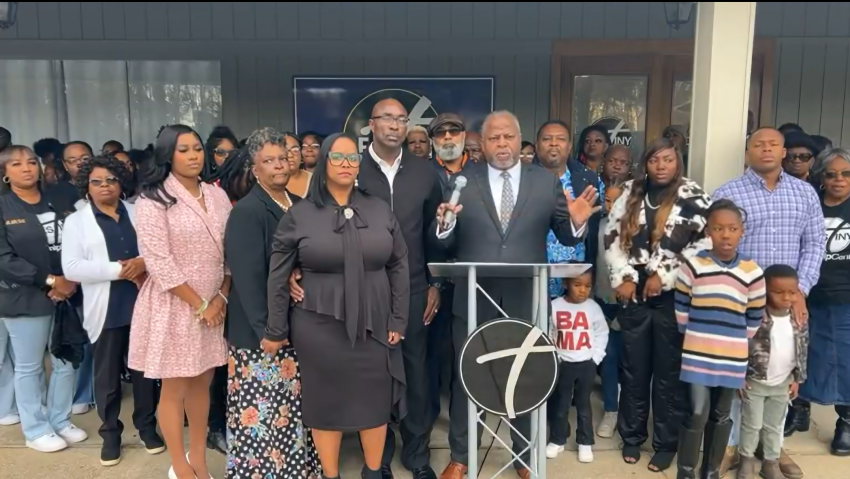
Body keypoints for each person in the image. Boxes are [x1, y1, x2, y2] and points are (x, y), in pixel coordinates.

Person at [434, 111, 597, 479]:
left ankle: (523, 456)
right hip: (475, 298)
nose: (503, 145)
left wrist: (577, 220)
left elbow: (568, 234)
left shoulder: (544, 181)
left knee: (525, 377)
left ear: (519, 140)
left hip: (525, 299)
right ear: (482, 142)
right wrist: (443, 225)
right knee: (466, 379)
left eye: (508, 137)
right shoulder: (462, 180)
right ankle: (461, 456)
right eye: (494, 139)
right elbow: (444, 238)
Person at [292, 99, 442, 478]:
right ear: (370, 126)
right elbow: (311, 226)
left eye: (401, 119)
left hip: (411, 289)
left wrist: (433, 282)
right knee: (372, 377)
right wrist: (296, 268)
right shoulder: (352, 170)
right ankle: (380, 460)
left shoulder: (425, 172)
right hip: (361, 295)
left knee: (415, 372)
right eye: (386, 118)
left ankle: (418, 455)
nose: (394, 125)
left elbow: (433, 235)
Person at [267, 133, 409, 479]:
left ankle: (373, 471)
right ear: (324, 162)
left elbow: (400, 264)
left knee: (374, 399)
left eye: (352, 158)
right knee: (325, 402)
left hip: (375, 322)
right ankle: (330, 474)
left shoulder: (378, 208)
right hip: (318, 326)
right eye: (338, 157)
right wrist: (275, 329)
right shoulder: (300, 214)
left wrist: (398, 318)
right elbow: (277, 275)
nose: (346, 164)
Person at [713, 127, 824, 479]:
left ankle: (771, 449)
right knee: (738, 374)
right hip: (741, 300)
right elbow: (716, 248)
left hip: (787, 304)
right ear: (748, 152)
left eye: (772, 144)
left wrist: (800, 290)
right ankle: (731, 446)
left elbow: (815, 244)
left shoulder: (804, 193)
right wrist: (739, 293)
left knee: (779, 371)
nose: (765, 150)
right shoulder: (728, 193)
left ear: (783, 152)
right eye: (758, 145)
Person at [129, 124, 233, 479]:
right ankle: (180, 467)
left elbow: (231, 251)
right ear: (167, 155)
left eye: (197, 148)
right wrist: (200, 303)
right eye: (183, 149)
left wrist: (219, 297)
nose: (193, 156)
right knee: (175, 386)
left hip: (215, 303)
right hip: (176, 303)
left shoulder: (217, 195)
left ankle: (199, 460)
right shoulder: (153, 198)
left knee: (203, 382)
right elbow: (157, 259)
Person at [604, 137, 711, 472]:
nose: (661, 166)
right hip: (632, 290)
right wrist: (622, 276)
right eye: (654, 160)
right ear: (645, 164)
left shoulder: (693, 195)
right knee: (634, 369)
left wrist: (663, 276)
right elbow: (611, 237)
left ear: (677, 162)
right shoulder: (630, 191)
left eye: (667, 160)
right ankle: (632, 437)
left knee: (668, 372)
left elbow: (701, 245)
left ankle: (666, 443)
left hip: (672, 293)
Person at [223, 128, 320, 479]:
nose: (278, 165)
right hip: (260, 336)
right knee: (262, 414)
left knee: (289, 409)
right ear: (254, 167)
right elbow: (248, 279)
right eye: (269, 161)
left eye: (282, 157)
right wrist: (267, 330)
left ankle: (295, 471)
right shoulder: (248, 211)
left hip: (292, 326)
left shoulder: (296, 205)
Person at [61, 155, 164, 466]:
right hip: (106, 308)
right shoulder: (77, 221)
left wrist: (143, 262)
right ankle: (110, 434)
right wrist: (121, 270)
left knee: (145, 374)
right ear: (86, 187)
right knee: (107, 378)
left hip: (142, 304)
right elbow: (73, 267)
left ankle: (147, 428)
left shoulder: (139, 212)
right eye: (97, 181)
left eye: (111, 180)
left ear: (121, 183)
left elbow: (157, 249)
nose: (105, 186)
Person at [0, 145, 87, 452]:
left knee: (65, 361)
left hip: (67, 295)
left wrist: (70, 279)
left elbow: (80, 240)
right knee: (29, 367)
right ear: (5, 174)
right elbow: (4, 259)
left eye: (31, 162)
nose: (26, 168)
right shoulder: (4, 207)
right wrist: (50, 281)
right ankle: (35, 429)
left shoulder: (58, 200)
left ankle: (60, 420)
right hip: (24, 299)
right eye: (16, 164)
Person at [674, 199, 767, 479]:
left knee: (721, 414)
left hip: (733, 356)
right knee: (697, 413)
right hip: (697, 354)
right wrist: (694, 337)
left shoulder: (752, 271)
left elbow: (755, 315)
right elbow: (681, 306)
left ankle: (711, 472)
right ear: (708, 232)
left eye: (732, 228)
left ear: (741, 231)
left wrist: (736, 342)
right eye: (718, 228)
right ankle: (687, 472)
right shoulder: (693, 266)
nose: (725, 234)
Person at [798, 147, 850, 456]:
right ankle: (798, 410)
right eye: (831, 174)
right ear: (822, 177)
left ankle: (846, 421)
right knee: (803, 356)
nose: (839, 180)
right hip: (810, 295)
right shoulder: (810, 203)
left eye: (845, 174)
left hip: (846, 297)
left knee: (845, 360)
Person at [736, 265, 809, 479]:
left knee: (774, 425)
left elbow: (803, 349)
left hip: (782, 383)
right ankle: (746, 460)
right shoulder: (755, 318)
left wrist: (797, 378)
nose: (787, 297)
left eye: (792, 292)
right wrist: (739, 374)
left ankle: (771, 461)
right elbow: (742, 346)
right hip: (755, 382)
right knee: (751, 423)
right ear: (765, 291)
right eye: (778, 292)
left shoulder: (799, 318)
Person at [533, 120, 602, 299]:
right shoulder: (522, 180)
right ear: (536, 146)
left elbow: (593, 231)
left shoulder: (588, 180)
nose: (554, 143)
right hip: (532, 277)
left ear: (569, 146)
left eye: (561, 139)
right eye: (547, 138)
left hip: (574, 281)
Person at [546, 270, 609, 464]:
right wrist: (554, 357)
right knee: (560, 404)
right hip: (563, 363)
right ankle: (557, 439)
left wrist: (595, 358)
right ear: (566, 283)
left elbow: (601, 332)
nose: (583, 290)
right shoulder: (554, 306)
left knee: (583, 405)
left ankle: (585, 442)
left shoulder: (593, 308)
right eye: (577, 285)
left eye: (587, 286)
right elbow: (548, 332)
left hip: (586, 364)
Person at [589, 180, 626, 438]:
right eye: (608, 200)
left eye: (618, 200)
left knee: (631, 361)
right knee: (609, 356)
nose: (612, 206)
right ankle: (611, 410)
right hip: (602, 301)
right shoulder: (597, 226)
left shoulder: (636, 229)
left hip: (629, 306)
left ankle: (630, 414)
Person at [283, 132, 313, 198]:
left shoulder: (314, 180)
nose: (290, 155)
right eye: (285, 150)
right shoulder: (269, 182)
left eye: (295, 150)